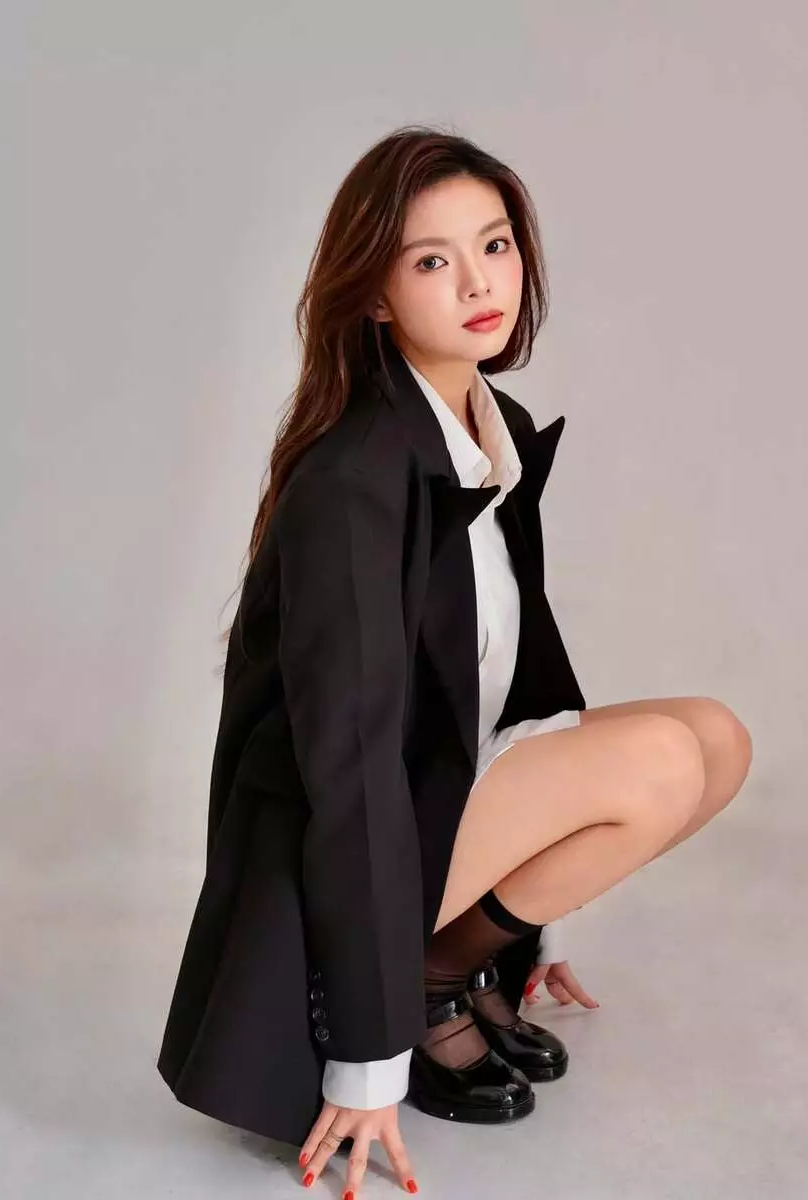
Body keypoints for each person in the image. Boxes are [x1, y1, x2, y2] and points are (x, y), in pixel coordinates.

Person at [156, 125, 753, 1199]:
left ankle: (456, 962)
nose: (480, 283)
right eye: (432, 259)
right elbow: (347, 766)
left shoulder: (489, 422)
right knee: (662, 757)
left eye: (496, 244)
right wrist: (366, 1062)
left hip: (442, 788)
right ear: (378, 295)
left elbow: (517, 682)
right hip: (340, 842)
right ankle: (418, 989)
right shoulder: (354, 479)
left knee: (714, 738)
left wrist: (530, 908)